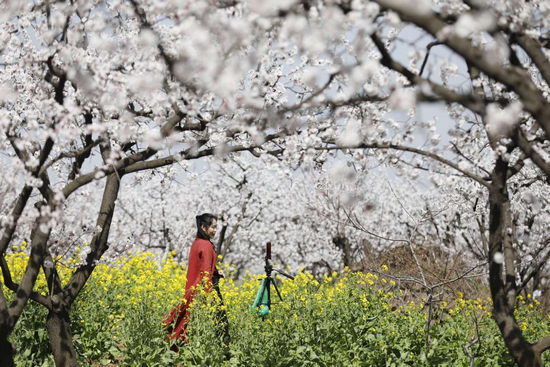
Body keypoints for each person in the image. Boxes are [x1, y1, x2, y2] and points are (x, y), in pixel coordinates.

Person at [164, 213, 230, 357]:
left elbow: (202, 267)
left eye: (216, 227)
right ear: (203, 227)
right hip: (206, 289)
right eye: (212, 227)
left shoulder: (197, 242)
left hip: (195, 289)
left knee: (188, 325)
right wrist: (209, 296)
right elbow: (205, 272)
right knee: (221, 325)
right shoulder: (206, 245)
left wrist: (216, 272)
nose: (215, 230)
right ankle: (222, 357)